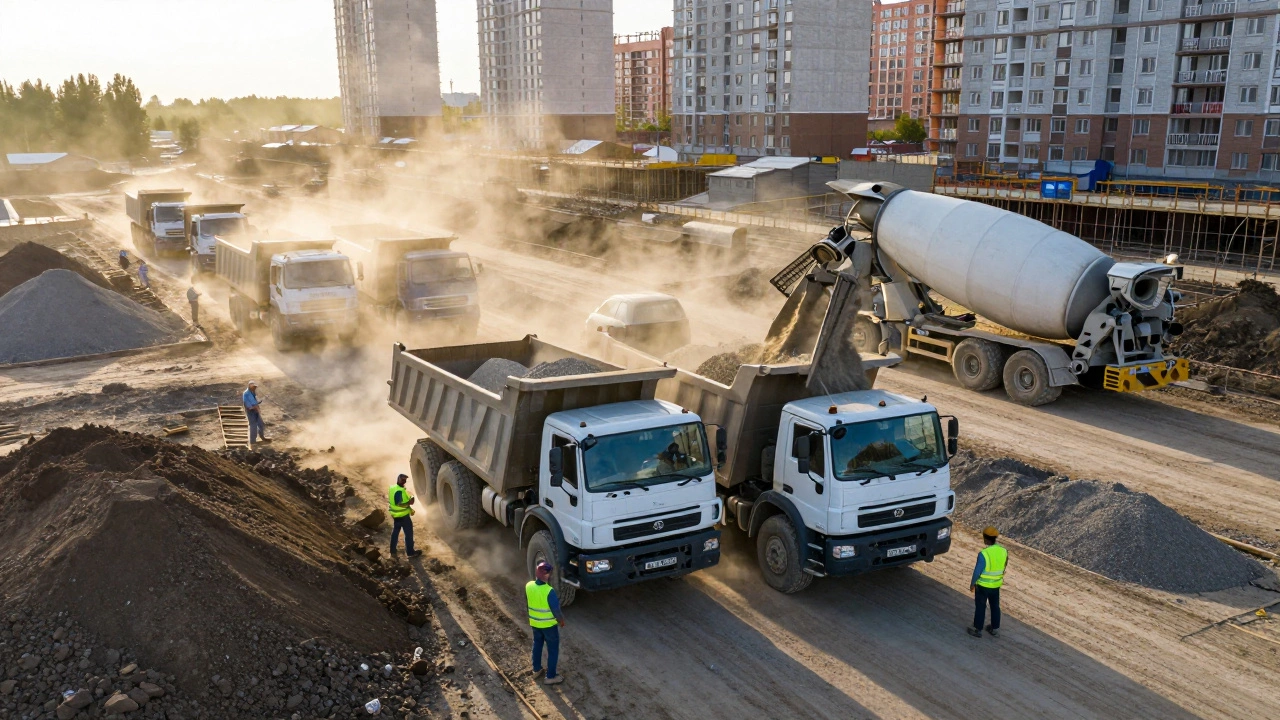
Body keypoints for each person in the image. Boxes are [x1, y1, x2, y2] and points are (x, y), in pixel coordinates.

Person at [527, 562, 565, 685]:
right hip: (549, 626)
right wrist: (561, 621)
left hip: (535, 623)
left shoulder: (529, 586)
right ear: (547, 575)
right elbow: (556, 610)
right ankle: (550, 676)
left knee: (537, 644)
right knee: (553, 650)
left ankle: (536, 669)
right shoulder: (549, 591)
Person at [968, 526, 1007, 638]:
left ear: (985, 538)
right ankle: (994, 629)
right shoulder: (1003, 551)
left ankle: (977, 629)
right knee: (995, 606)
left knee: (981, 607)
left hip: (983, 586)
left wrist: (972, 584)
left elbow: (977, 572)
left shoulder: (984, 554)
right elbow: (1004, 566)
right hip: (996, 585)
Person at [388, 473, 421, 558]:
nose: (404, 482)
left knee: (395, 533)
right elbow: (398, 503)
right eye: (403, 480)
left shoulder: (393, 488)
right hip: (403, 517)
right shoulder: (399, 491)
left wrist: (410, 496)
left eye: (405, 480)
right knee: (408, 534)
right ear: (398, 480)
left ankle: (392, 552)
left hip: (395, 515)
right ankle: (410, 553)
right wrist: (409, 503)